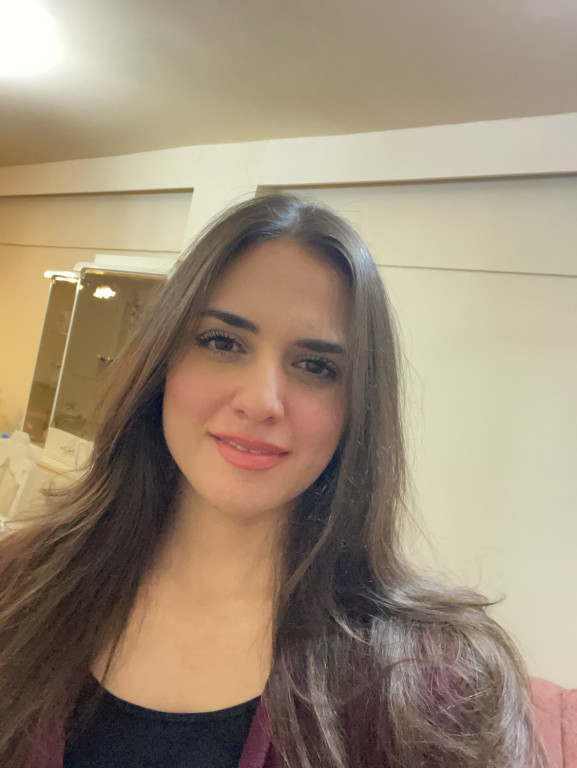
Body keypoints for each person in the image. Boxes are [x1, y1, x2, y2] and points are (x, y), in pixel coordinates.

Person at [0, 194, 547, 768]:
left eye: (316, 366)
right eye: (222, 342)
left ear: (358, 408)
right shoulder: (19, 588)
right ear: (161, 362)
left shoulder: (438, 685)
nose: (261, 401)